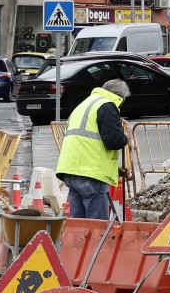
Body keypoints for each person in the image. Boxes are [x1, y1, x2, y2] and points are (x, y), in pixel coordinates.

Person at [55, 78, 132, 220]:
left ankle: (77, 244)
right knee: (97, 226)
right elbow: (113, 141)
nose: (122, 103)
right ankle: (96, 244)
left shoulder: (84, 105)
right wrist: (125, 137)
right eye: (123, 100)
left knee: (78, 225)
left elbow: (88, 145)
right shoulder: (107, 105)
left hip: (72, 171)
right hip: (91, 175)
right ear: (117, 95)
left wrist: (115, 171)